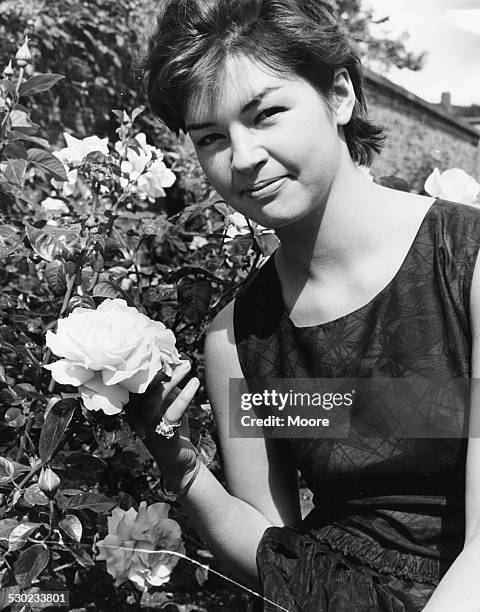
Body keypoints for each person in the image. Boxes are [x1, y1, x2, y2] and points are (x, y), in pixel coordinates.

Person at [131, 0, 480, 610]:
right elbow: (280, 556)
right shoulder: (240, 338)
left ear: (340, 96)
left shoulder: (465, 266)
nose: (241, 158)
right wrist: (180, 464)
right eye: (211, 137)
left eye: (265, 115)